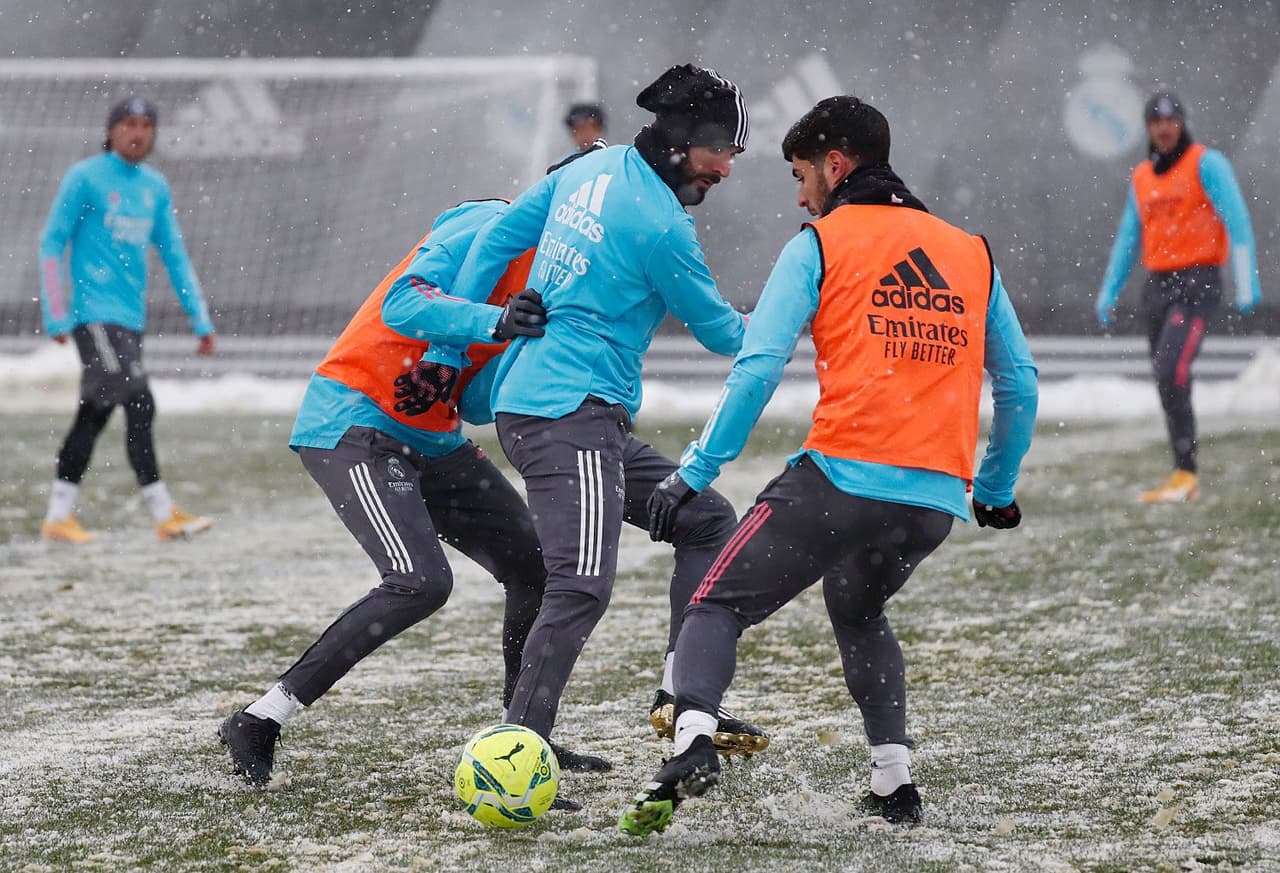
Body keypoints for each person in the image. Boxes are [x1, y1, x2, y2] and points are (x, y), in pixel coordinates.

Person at [618, 95, 1039, 836]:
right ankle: (894, 781)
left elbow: (756, 369)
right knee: (859, 607)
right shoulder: (972, 251)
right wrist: (995, 489)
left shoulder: (820, 242)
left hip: (839, 480)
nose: (800, 192)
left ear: (835, 164)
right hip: (931, 501)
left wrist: (695, 469)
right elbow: (1020, 384)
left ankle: (691, 744)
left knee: (712, 605)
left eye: (800, 173)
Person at [438, 65, 767, 798]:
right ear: (683, 144)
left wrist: (457, 337)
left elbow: (494, 240)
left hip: (555, 407)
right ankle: (510, 758)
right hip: (568, 414)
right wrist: (793, 321)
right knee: (580, 585)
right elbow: (722, 333)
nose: (728, 166)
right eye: (723, 150)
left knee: (707, 520)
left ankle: (681, 694)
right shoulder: (660, 226)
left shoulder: (593, 166)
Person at [217, 199, 605, 808]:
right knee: (419, 581)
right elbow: (404, 301)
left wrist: (532, 356)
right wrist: (494, 322)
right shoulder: (484, 224)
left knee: (537, 569)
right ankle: (260, 719)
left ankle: (525, 741)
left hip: (435, 440)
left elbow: (473, 403)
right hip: (355, 424)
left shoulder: (564, 274)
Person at [38, 95, 216, 544]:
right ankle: (163, 514)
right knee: (140, 402)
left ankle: (58, 516)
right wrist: (55, 312)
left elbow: (174, 254)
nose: (138, 133)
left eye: (146, 125)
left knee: (95, 413)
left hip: (129, 323)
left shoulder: (154, 187)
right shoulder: (85, 177)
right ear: (112, 130)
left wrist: (200, 318)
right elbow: (51, 242)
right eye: (129, 124)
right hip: (92, 318)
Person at [1095, 89, 1262, 503]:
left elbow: (1237, 221)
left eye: (1170, 121)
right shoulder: (1143, 177)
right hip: (1158, 286)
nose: (1164, 129)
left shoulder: (1207, 163)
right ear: (1148, 129)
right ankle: (1184, 474)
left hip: (1198, 282)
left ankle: (1186, 471)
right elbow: (1128, 239)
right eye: (1156, 123)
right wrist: (1109, 289)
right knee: (1166, 377)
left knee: (1172, 368)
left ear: (1182, 123)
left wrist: (1246, 282)